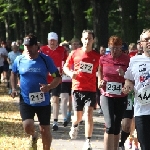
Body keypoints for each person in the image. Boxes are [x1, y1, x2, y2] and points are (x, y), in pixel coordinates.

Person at [11, 34, 61, 150]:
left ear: (36, 46)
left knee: (45, 130)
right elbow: (13, 73)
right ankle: (33, 136)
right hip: (26, 99)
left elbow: (57, 77)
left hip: (42, 100)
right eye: (25, 46)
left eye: (29, 46)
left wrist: (49, 87)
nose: (27, 49)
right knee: (27, 126)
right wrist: (13, 88)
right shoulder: (19, 59)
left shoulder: (45, 59)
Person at [63, 30, 100, 150]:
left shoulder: (96, 56)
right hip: (77, 88)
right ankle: (75, 125)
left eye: (89, 39)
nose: (87, 41)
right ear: (82, 39)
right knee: (78, 117)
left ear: (93, 40)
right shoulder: (75, 53)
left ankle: (87, 142)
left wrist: (101, 80)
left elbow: (100, 71)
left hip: (91, 89)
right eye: (85, 38)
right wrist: (70, 73)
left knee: (88, 113)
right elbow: (65, 67)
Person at [98, 35, 130, 150]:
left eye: (117, 48)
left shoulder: (127, 59)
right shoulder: (103, 58)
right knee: (109, 125)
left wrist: (124, 74)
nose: (114, 51)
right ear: (108, 47)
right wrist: (100, 82)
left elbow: (131, 77)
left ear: (121, 48)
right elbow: (100, 71)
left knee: (117, 127)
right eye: (112, 48)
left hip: (121, 96)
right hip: (107, 95)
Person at [122, 28, 150, 150]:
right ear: (141, 43)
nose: (149, 42)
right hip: (142, 111)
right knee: (145, 146)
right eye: (146, 39)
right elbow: (129, 79)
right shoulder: (134, 61)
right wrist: (128, 85)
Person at [41, 32, 67, 131]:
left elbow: (66, 61)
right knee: (46, 101)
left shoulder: (62, 50)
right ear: (48, 40)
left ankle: (55, 122)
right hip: (45, 79)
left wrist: (64, 69)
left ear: (57, 41)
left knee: (55, 99)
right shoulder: (43, 49)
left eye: (54, 40)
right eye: (50, 40)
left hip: (56, 79)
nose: (52, 42)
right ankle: (45, 119)